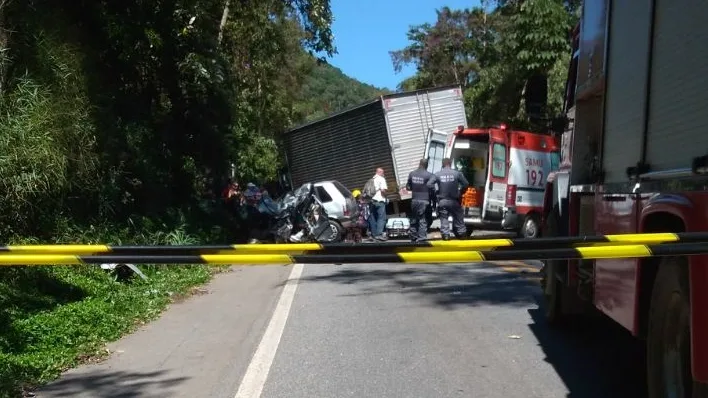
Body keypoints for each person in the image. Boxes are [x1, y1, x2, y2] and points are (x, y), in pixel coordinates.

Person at [428, 157, 469, 240]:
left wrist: (436, 191)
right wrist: (460, 192)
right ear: (450, 164)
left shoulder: (437, 174)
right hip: (454, 201)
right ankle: (461, 234)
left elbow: (429, 184)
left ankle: (446, 235)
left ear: (442, 164)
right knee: (458, 217)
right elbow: (466, 183)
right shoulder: (457, 173)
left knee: (444, 218)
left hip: (442, 201)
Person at [406, 158, 435, 242]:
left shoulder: (412, 174)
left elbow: (408, 187)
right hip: (424, 200)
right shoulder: (429, 175)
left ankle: (413, 236)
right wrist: (434, 202)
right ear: (427, 165)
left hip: (414, 200)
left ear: (419, 164)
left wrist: (415, 188)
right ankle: (421, 238)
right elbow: (432, 190)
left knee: (414, 219)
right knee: (423, 220)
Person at [368, 167, 388, 241]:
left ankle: (374, 235)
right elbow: (383, 190)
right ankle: (379, 234)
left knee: (372, 218)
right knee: (381, 218)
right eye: (383, 173)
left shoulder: (371, 180)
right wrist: (386, 196)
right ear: (379, 172)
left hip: (371, 201)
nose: (383, 174)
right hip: (379, 200)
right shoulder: (381, 179)